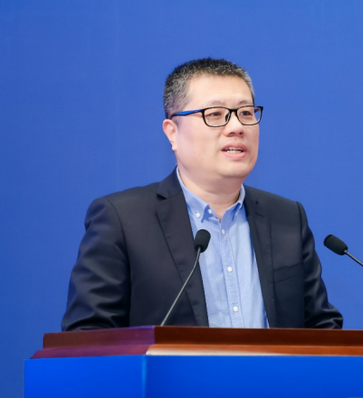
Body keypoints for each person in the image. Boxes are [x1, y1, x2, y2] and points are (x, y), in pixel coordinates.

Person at [61, 58, 342, 331]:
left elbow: (321, 328)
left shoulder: (287, 218)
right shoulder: (123, 221)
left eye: (246, 113)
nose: (237, 127)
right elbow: (88, 337)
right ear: (172, 132)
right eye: (215, 114)